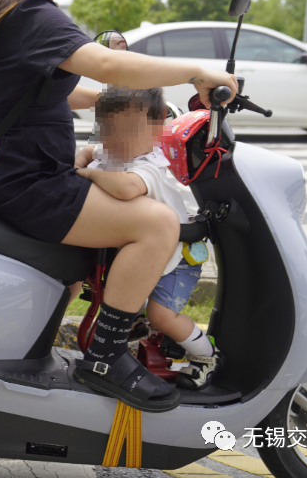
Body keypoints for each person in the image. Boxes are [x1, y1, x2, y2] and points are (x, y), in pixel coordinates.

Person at [0, 0, 238, 412]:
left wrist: (129, 105)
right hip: (28, 186)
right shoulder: (33, 14)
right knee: (156, 224)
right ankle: (106, 356)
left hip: (9, 178)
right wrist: (197, 71)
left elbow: (59, 89)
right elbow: (108, 65)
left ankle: (66, 347)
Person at [74, 87, 223, 391]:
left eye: (130, 131)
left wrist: (85, 174)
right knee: (120, 300)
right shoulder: (110, 152)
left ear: (156, 130)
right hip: (146, 255)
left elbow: (127, 188)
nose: (117, 139)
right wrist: (84, 158)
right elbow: (88, 153)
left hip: (176, 260)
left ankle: (207, 357)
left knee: (161, 315)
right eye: (108, 130)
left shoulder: (150, 164)